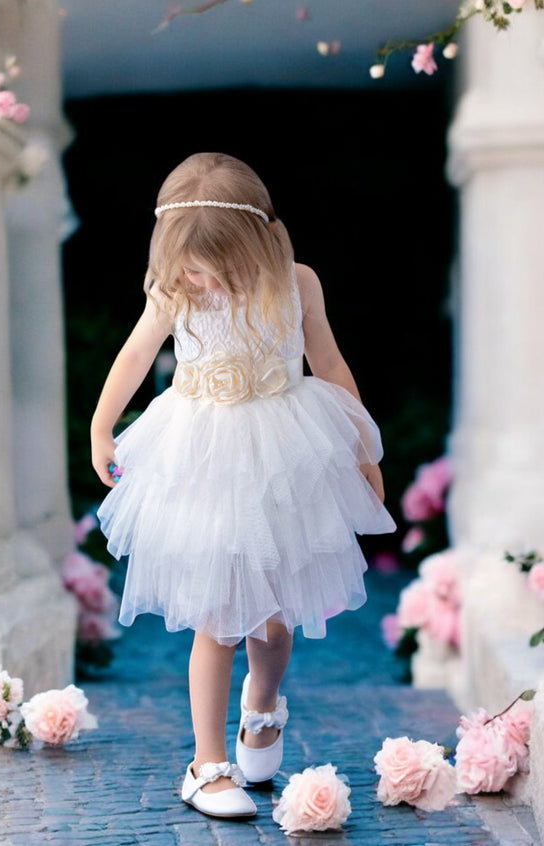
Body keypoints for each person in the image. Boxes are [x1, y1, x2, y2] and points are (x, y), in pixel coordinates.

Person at [91, 152, 396, 820]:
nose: (208, 280)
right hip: (203, 459)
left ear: (261, 243)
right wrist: (101, 426)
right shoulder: (175, 291)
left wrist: (362, 446)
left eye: (220, 267)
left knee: (275, 626)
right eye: (195, 267)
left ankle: (262, 703)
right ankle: (205, 764)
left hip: (285, 455)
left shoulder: (298, 284)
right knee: (216, 620)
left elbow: (330, 361)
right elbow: (137, 354)